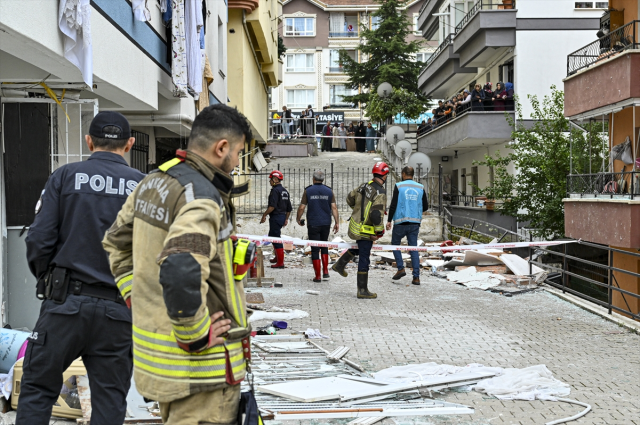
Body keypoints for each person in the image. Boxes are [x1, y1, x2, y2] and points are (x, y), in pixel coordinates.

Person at [102, 104, 252, 425]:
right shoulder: (201, 197)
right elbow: (182, 266)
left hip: (164, 366)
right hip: (202, 374)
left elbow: (116, 242)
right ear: (221, 147)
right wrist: (196, 334)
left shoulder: (154, 181)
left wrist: (135, 296)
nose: (238, 162)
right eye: (238, 153)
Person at [19, 112, 145, 425]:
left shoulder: (65, 176)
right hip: (119, 310)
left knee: (37, 389)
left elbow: (38, 239)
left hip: (64, 304)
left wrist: (49, 282)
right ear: (129, 144)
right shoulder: (145, 188)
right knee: (110, 400)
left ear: (89, 141)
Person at [332, 162, 389, 299]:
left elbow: (349, 199)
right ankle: (362, 290)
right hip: (366, 230)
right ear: (385, 176)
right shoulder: (380, 192)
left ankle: (340, 265)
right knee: (365, 257)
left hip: (354, 226)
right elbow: (376, 215)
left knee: (360, 248)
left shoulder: (364, 185)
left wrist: (358, 211)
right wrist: (379, 232)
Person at [385, 166, 429, 286]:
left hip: (400, 222)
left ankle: (401, 268)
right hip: (415, 223)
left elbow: (393, 204)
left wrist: (389, 220)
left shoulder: (399, 186)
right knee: (413, 248)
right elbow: (425, 206)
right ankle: (416, 278)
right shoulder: (420, 187)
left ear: (404, 174)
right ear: (412, 174)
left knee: (395, 244)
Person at [296, 170, 340, 282]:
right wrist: (337, 222)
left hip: (313, 223)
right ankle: (325, 271)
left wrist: (298, 218)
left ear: (313, 179)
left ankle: (318, 276)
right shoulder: (329, 191)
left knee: (315, 249)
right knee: (324, 245)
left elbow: (302, 207)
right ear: (323, 179)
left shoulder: (308, 190)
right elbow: (334, 207)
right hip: (326, 223)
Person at [262, 170, 292, 268]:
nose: (270, 182)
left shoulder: (275, 191)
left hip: (276, 217)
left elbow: (272, 206)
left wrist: (264, 215)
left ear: (275, 179)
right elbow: (289, 208)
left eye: (270, 180)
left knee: (276, 239)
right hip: (282, 216)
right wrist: (286, 218)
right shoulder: (285, 191)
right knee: (272, 236)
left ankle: (280, 263)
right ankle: (277, 258)